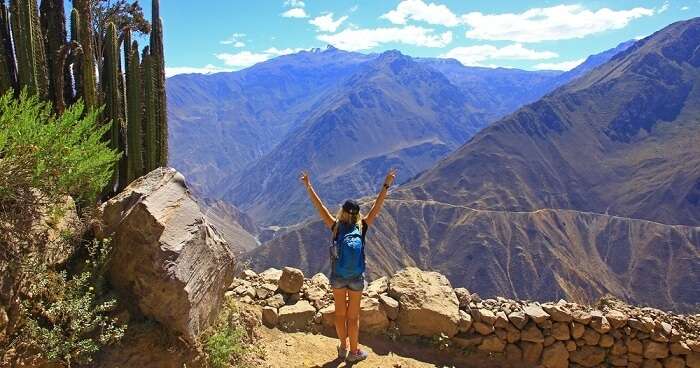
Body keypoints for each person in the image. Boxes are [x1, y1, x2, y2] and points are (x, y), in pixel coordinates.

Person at [299, 168, 397, 363]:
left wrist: (308, 186)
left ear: (342, 212)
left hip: (338, 277)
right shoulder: (363, 226)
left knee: (339, 315)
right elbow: (377, 207)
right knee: (353, 318)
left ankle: (342, 348)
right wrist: (386, 185)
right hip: (356, 279)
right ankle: (354, 352)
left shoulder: (335, 227)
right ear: (357, 214)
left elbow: (320, 209)